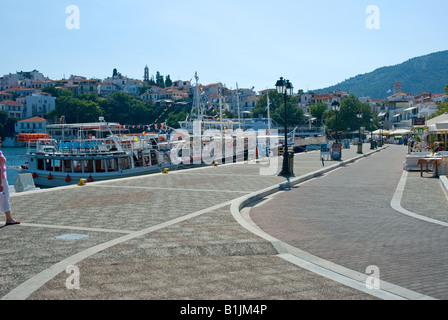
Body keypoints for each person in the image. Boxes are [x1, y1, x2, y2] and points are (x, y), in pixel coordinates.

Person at [0, 138, 20, 226]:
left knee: (4, 197)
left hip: (2, 177)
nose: (0, 143)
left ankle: (9, 218)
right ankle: (9, 218)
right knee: (5, 197)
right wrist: (0, 182)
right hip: (2, 178)